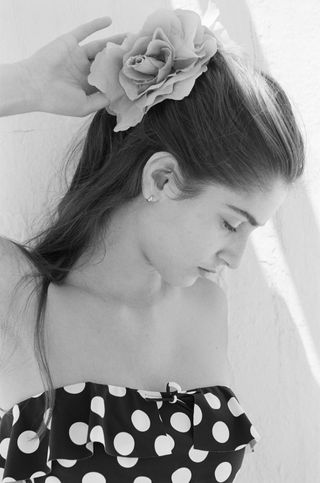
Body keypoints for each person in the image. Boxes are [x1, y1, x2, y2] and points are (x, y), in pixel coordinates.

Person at [0, 7, 304, 483]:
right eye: (230, 223)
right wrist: (21, 85)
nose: (236, 258)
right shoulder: (15, 292)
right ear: (161, 178)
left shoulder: (207, 307)